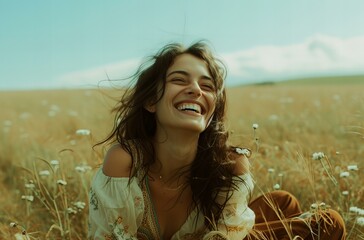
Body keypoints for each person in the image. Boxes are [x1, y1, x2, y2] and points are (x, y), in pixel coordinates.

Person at [88, 41, 346, 240]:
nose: (196, 90)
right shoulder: (126, 161)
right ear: (150, 101)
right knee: (328, 223)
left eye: (208, 86)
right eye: (179, 79)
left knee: (283, 201)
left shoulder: (231, 163)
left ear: (211, 111)